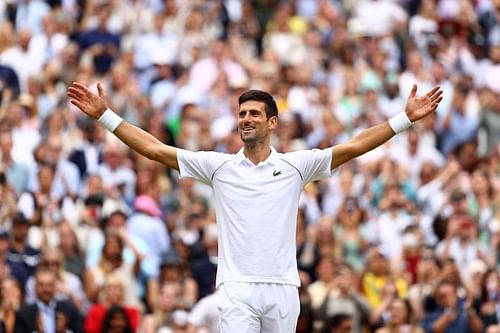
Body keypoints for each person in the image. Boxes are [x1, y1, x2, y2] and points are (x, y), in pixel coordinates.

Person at [67, 81, 443, 332]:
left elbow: (355, 146)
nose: (246, 119)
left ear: (272, 122)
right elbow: (155, 149)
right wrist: (105, 116)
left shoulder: (298, 164)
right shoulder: (219, 167)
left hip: (283, 289)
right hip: (236, 288)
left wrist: (404, 119)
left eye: (254, 114)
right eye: (242, 114)